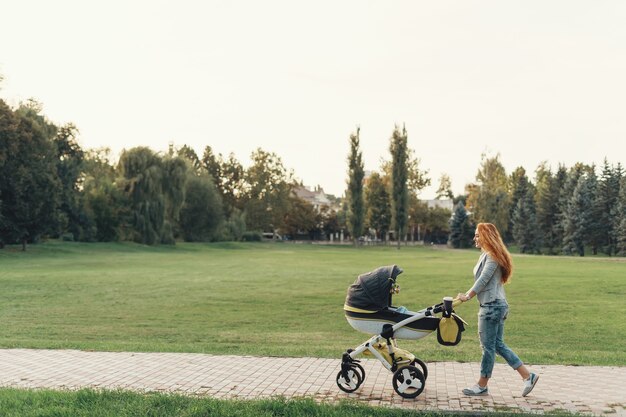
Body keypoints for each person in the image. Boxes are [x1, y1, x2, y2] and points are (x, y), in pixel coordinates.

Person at [456, 222, 539, 397]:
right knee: (498, 345)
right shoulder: (487, 255)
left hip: (492, 307)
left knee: (488, 348)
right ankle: (527, 376)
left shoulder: (493, 256)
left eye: (477, 235)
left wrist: (467, 296)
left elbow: (483, 280)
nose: (475, 238)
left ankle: (481, 385)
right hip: (496, 305)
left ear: (486, 236)